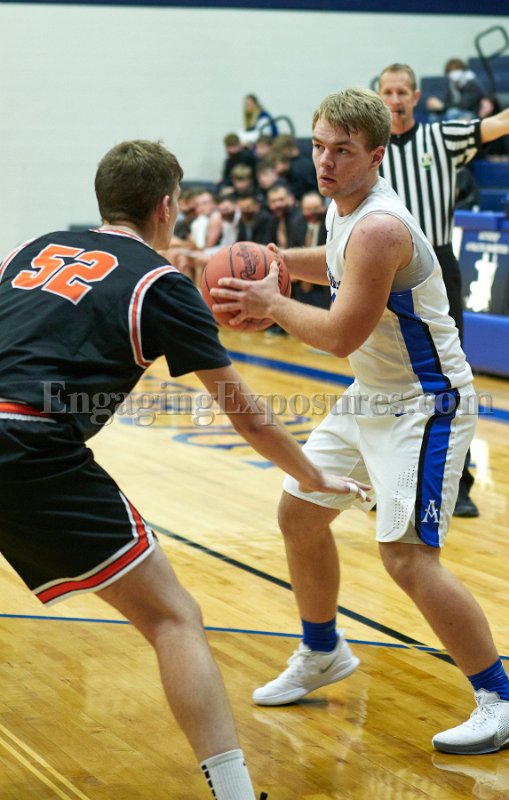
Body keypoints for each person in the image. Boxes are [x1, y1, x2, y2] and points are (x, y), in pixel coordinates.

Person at [0, 140, 366, 800]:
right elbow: (249, 416)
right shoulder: (160, 284)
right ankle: (233, 793)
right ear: (167, 207)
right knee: (174, 618)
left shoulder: (33, 249)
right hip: (32, 446)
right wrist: (313, 477)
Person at [210, 88, 509, 756]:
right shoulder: (343, 210)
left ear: (377, 155)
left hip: (425, 401)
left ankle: (505, 701)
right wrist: (274, 263)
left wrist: (271, 302)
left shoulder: (381, 226)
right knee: (300, 514)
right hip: (373, 394)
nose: (324, 162)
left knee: (407, 558)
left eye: (342, 151)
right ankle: (322, 650)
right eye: (317, 147)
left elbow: (337, 335)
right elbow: (334, 263)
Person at [377, 62, 509, 518]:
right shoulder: (369, 146)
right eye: (388, 91)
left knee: (449, 376)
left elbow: (501, 122)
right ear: (379, 96)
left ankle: (457, 482)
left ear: (416, 96)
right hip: (382, 267)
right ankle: (389, 481)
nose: (396, 99)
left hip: (436, 265)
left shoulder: (442, 137)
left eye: (403, 91)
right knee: (388, 375)